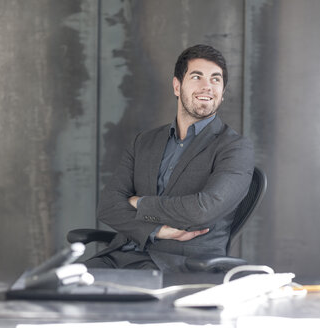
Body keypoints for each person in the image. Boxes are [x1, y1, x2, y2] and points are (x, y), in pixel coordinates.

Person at [85, 44, 254, 272]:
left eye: (216, 79)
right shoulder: (144, 141)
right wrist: (156, 230)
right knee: (55, 290)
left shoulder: (235, 148)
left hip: (178, 264)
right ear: (177, 86)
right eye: (197, 77)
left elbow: (202, 210)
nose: (208, 86)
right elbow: (107, 206)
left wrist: (139, 203)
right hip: (121, 254)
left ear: (223, 92)